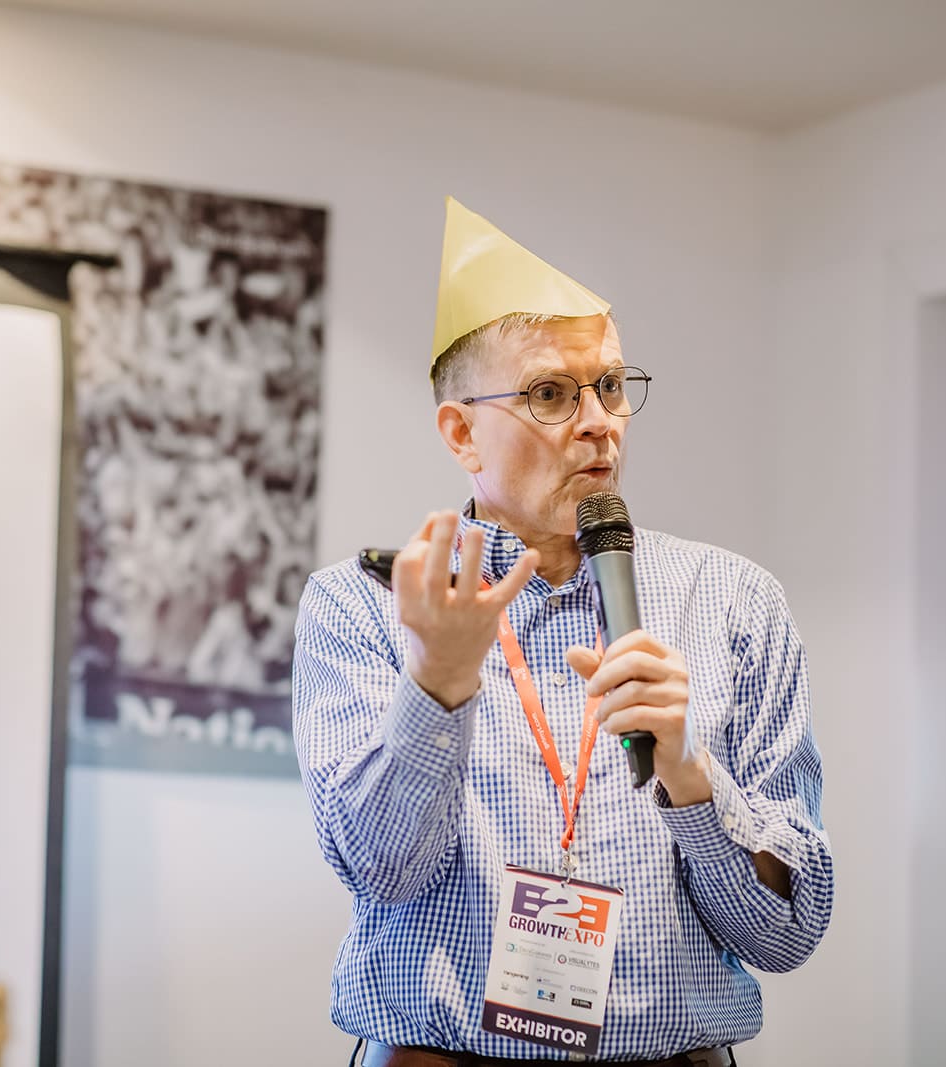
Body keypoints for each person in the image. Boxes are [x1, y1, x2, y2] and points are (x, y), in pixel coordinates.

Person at [293, 198, 833, 1067]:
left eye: (611, 387)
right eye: (551, 393)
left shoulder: (734, 600)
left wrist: (693, 779)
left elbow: (789, 931)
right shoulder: (364, 606)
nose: (598, 422)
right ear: (462, 432)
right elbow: (380, 870)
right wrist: (437, 686)